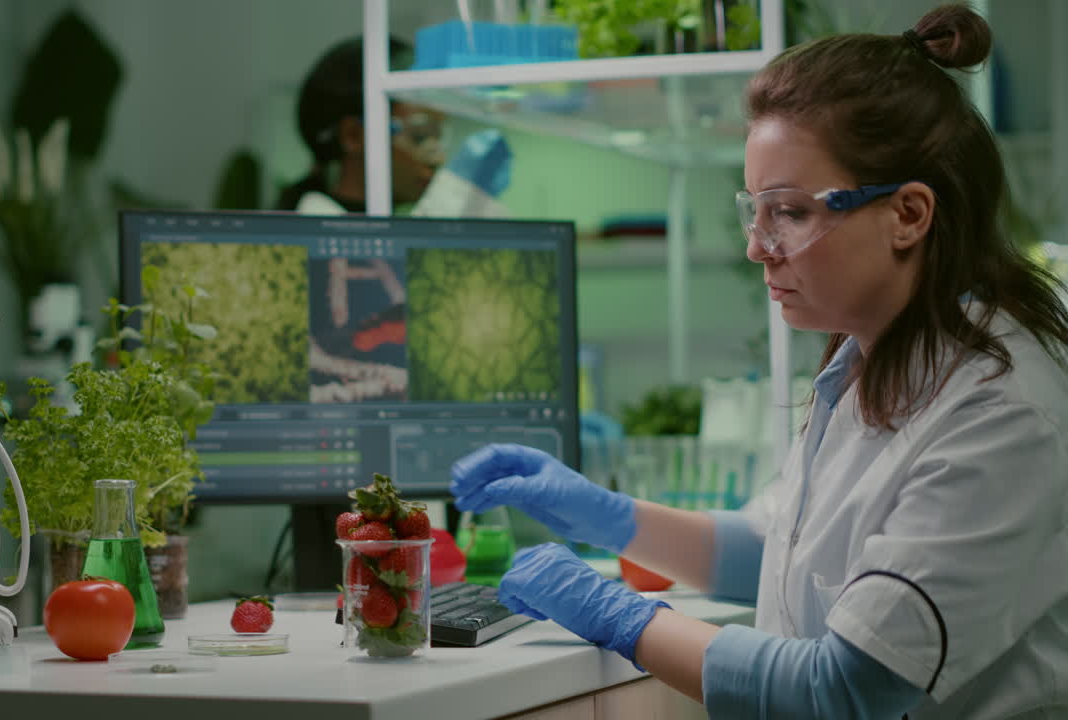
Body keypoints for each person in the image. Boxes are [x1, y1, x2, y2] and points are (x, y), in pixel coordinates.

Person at [450, 5, 1068, 718]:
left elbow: (845, 688)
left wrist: (621, 617)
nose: (757, 246)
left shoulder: (999, 414)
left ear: (908, 214)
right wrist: (605, 515)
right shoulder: (874, 361)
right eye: (756, 209)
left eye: (791, 212)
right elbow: (779, 555)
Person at [275, 36, 446, 214]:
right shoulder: (320, 233)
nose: (438, 158)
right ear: (353, 135)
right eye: (419, 136)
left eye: (439, 136)